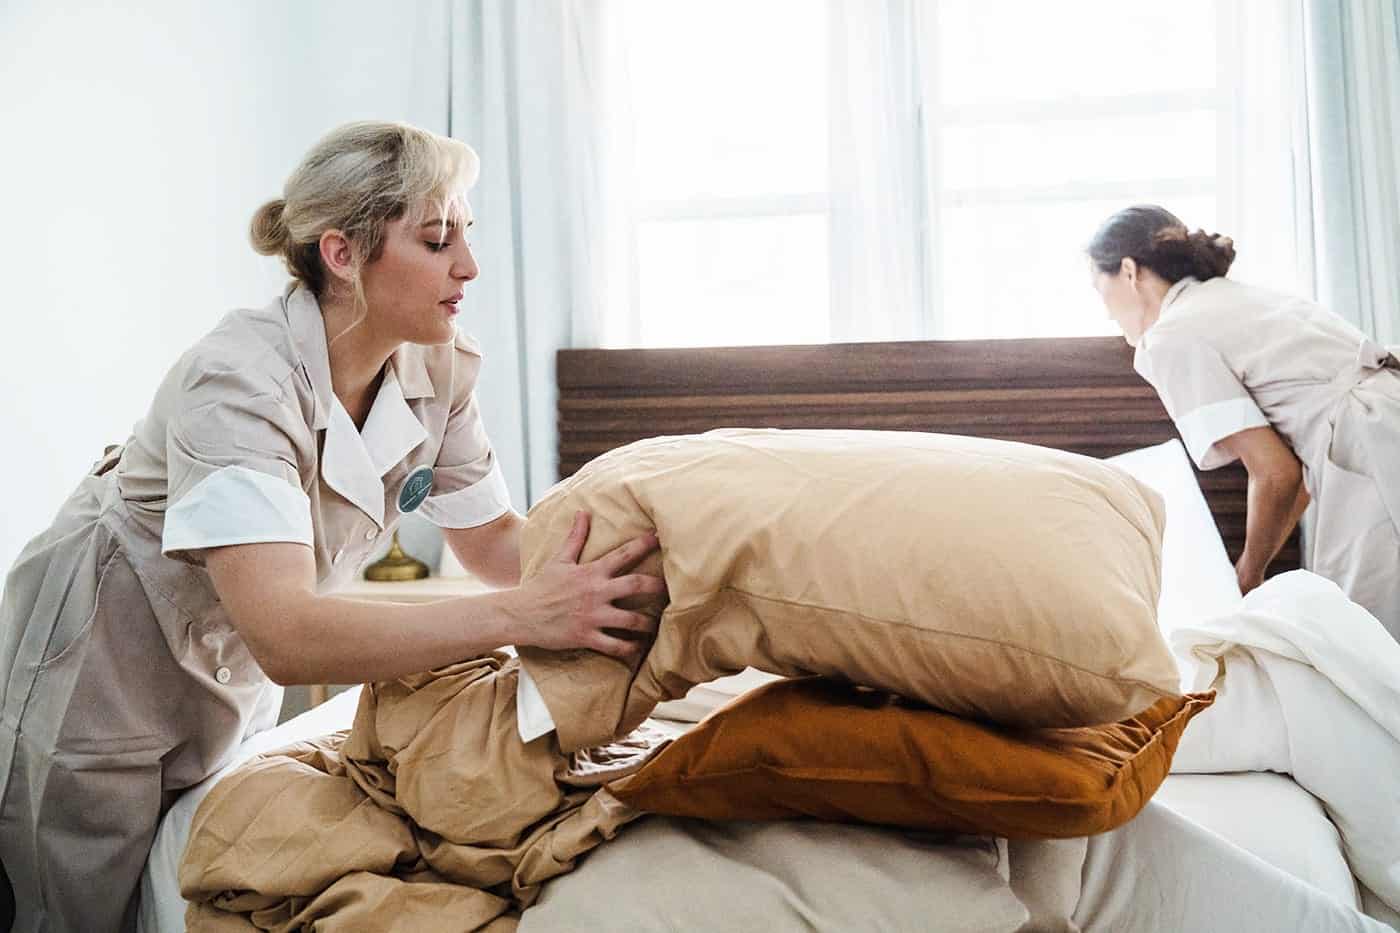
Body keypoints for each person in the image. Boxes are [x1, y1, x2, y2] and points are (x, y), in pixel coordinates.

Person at [0, 120, 666, 932]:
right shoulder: (239, 381)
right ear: (342, 254)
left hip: (224, 658)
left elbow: (492, 541)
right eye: (436, 239)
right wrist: (525, 614)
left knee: (181, 879)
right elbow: (287, 632)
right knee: (68, 908)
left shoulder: (439, 363)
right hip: (102, 658)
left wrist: (624, 573)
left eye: (468, 233)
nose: (470, 266)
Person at [1088, 204, 1400, 639]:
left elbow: (1275, 473)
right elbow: (1292, 475)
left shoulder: (1171, 336)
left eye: (1097, 287)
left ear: (1128, 271)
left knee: (1370, 654)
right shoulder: (1235, 297)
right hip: (1381, 430)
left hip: (1377, 458)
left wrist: (1246, 575)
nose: (1103, 310)